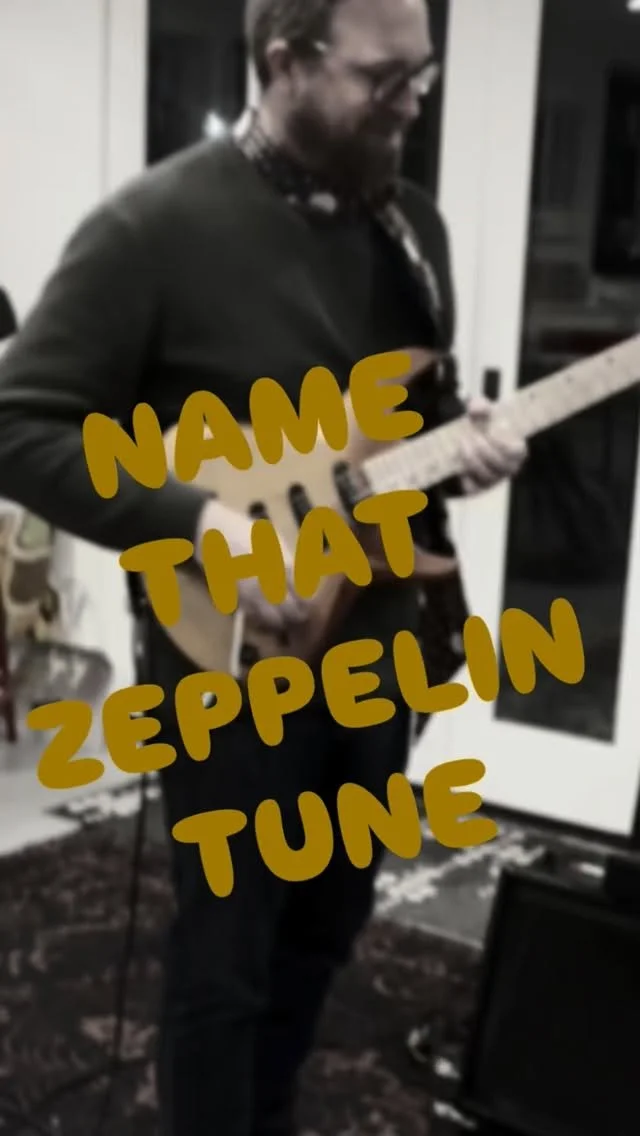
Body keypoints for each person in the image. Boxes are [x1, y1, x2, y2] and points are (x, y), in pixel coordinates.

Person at [0, 0, 528, 1131]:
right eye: (383, 79)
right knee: (227, 951)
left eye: (423, 75)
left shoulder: (414, 228)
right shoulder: (149, 228)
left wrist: (465, 445)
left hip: (377, 644)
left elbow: (409, 428)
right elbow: (18, 424)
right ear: (285, 59)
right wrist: (198, 523)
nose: (411, 104)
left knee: (328, 923)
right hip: (229, 657)